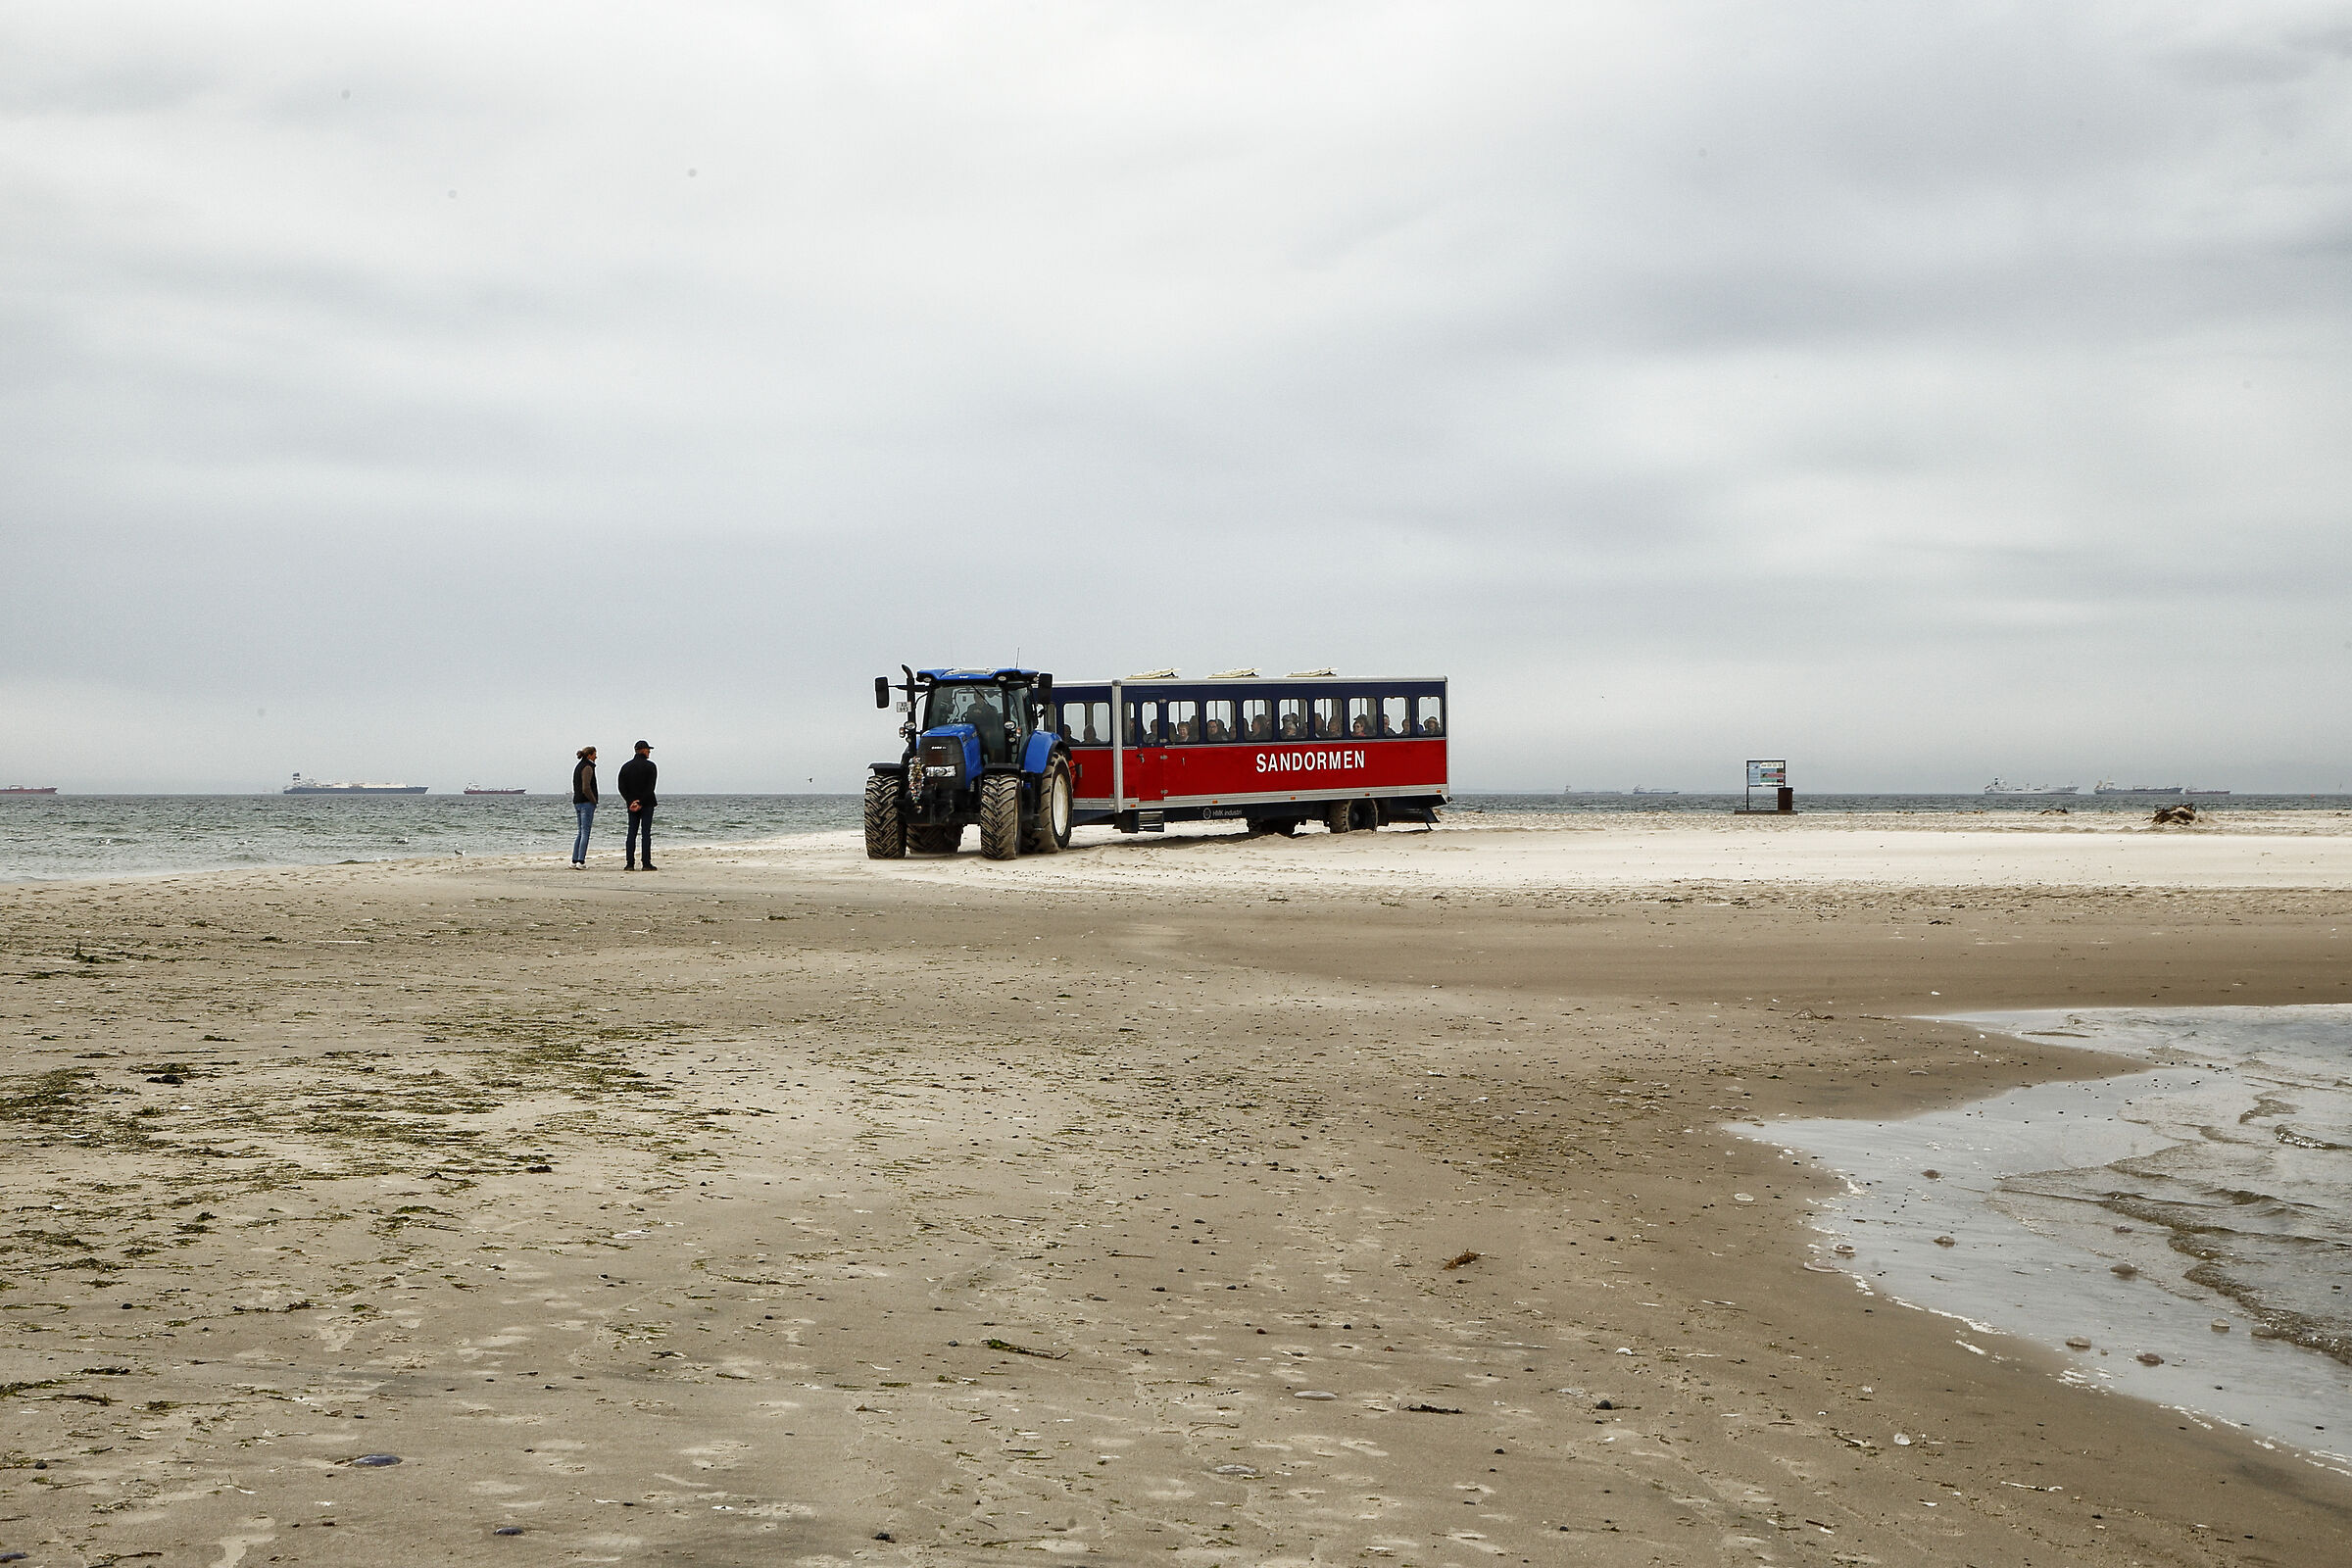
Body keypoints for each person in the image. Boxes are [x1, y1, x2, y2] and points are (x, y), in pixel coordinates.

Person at [618, 740, 658, 870]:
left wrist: (631, 801)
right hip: (647, 803)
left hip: (632, 805)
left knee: (631, 833)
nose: (649, 752)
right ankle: (646, 863)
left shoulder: (626, 767)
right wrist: (640, 802)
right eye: (648, 750)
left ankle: (630, 863)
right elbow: (650, 787)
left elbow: (621, 787)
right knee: (646, 833)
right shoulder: (651, 766)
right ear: (643, 750)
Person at [570, 747, 598, 866]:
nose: (596, 756)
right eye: (595, 754)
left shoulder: (578, 767)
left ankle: (574, 859)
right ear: (590, 755)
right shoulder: (587, 767)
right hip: (586, 802)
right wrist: (593, 800)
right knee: (585, 832)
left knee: (581, 832)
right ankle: (581, 860)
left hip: (577, 801)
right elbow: (586, 787)